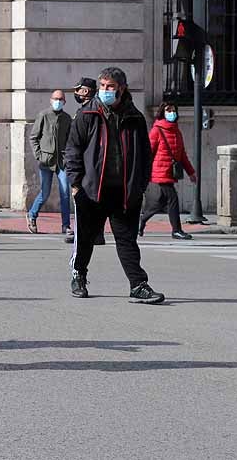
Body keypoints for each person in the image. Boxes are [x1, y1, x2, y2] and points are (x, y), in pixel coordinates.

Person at [65, 67, 163, 304]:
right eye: (102, 86)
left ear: (122, 88)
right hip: (91, 189)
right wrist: (76, 183)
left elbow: (144, 154)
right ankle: (79, 275)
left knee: (127, 240)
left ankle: (138, 285)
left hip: (124, 191)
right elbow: (73, 149)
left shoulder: (135, 117)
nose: (106, 91)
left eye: (110, 87)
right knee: (86, 238)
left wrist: (140, 185)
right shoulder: (87, 114)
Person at [139, 102, 197, 240]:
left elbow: (182, 154)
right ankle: (176, 230)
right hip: (161, 171)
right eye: (168, 110)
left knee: (161, 201)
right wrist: (144, 172)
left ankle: (142, 220)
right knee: (173, 199)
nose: (171, 112)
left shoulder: (176, 131)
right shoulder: (157, 130)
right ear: (162, 112)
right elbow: (148, 152)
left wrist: (191, 172)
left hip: (171, 170)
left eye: (173, 110)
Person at [28, 90, 73, 238]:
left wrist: (68, 156)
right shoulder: (44, 115)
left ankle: (65, 225)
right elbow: (34, 137)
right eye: (55, 98)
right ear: (50, 100)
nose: (58, 101)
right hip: (46, 161)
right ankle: (32, 215)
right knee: (45, 193)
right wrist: (39, 155)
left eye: (60, 99)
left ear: (65, 102)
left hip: (61, 161)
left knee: (65, 192)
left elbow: (70, 140)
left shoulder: (67, 118)